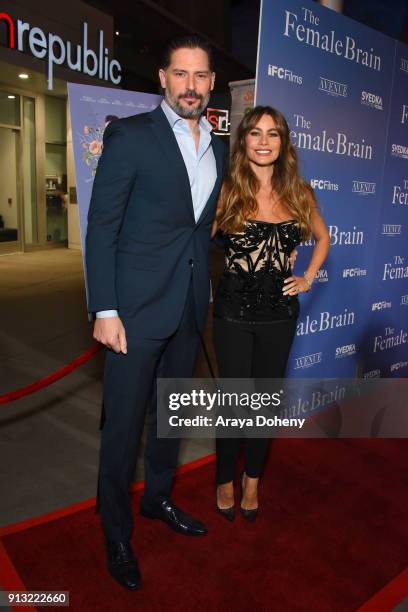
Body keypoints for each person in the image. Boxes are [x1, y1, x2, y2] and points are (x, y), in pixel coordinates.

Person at [85, 34, 226, 590]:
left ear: (211, 83)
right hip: (134, 312)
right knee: (122, 431)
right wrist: (105, 307)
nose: (191, 86)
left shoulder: (218, 146)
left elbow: (201, 227)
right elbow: (102, 228)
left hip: (190, 308)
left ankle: (158, 500)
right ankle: (116, 533)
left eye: (201, 76)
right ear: (163, 79)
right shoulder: (131, 136)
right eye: (181, 74)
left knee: (171, 418)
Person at [212, 106, 330, 522]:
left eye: (273, 134)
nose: (264, 141)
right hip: (231, 311)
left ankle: (252, 481)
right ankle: (224, 478)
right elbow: (201, 238)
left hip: (279, 313)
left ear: (283, 142)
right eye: (256, 133)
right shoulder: (226, 188)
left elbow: (323, 237)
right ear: (243, 140)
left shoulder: (299, 190)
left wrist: (308, 277)